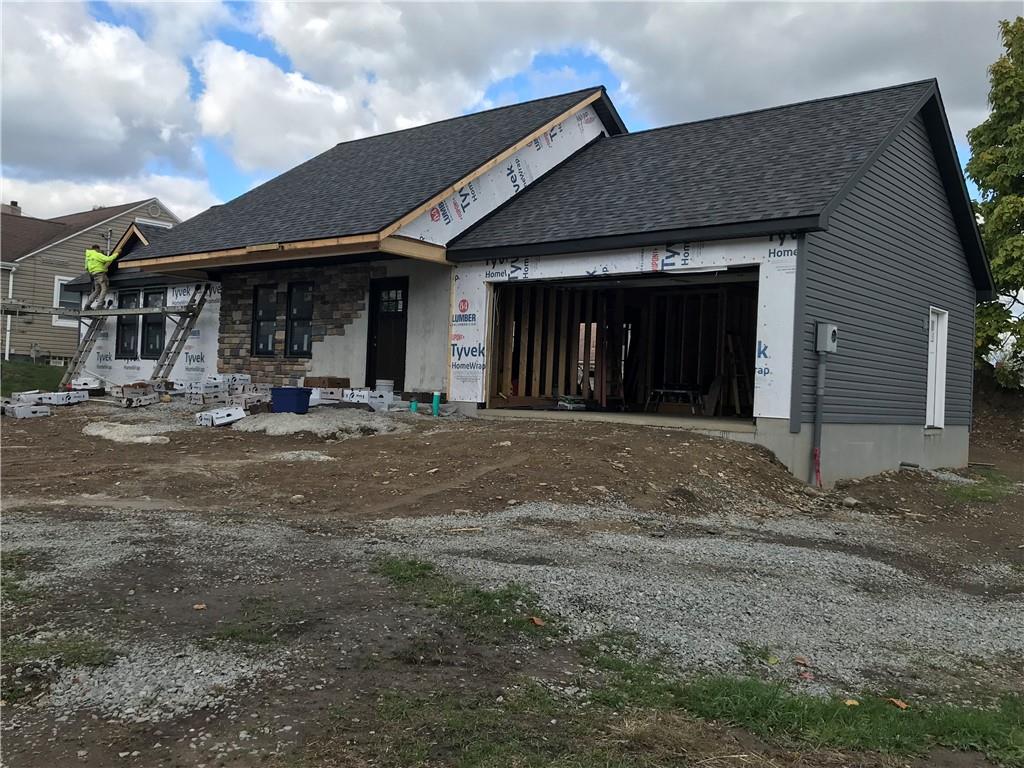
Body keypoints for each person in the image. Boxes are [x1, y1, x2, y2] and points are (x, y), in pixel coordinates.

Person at [84, 244, 118, 309]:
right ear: (97, 249)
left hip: (94, 275)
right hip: (100, 274)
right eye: (99, 250)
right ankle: (99, 305)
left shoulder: (88, 257)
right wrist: (116, 254)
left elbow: (86, 267)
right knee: (104, 289)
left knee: (97, 290)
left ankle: (87, 305)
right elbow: (108, 259)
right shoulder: (97, 254)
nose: (100, 251)